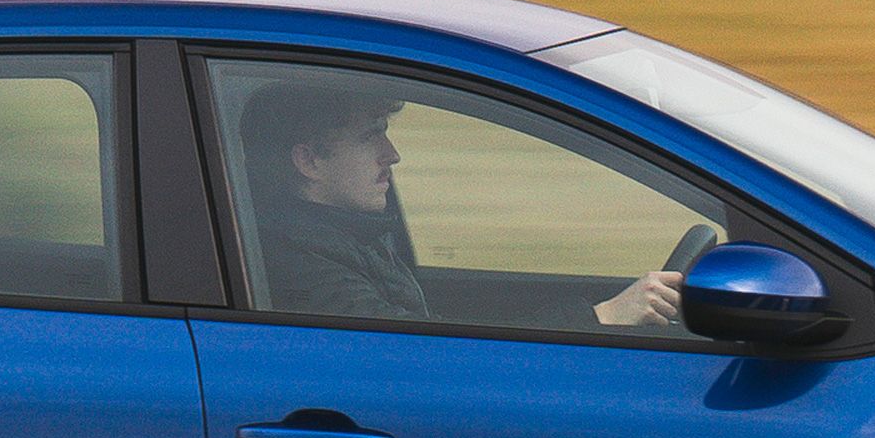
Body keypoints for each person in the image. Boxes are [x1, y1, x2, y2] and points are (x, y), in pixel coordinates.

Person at [236, 79, 682, 327]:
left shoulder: (340, 237)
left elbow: (449, 322)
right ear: (310, 160)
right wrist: (601, 317)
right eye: (370, 135)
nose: (392, 154)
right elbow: (417, 356)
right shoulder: (295, 262)